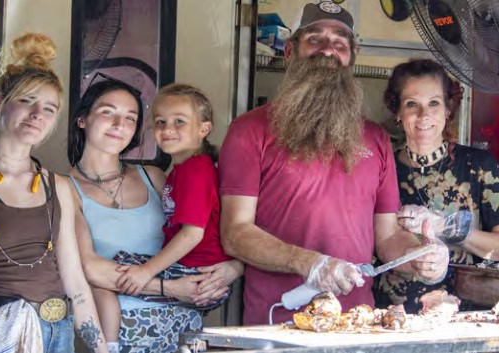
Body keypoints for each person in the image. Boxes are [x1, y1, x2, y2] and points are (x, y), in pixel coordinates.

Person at [218, 1, 450, 325]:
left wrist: (420, 257)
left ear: (351, 57)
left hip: (356, 324)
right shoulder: (249, 131)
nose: (328, 49)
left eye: (340, 42)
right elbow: (235, 232)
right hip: (276, 321)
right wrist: (308, 262)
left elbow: (387, 239)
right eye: (315, 38)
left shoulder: (376, 139)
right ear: (289, 51)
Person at [67, 76, 241, 353]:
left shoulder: (157, 177)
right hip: (122, 333)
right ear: (82, 120)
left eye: (130, 118)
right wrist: (170, 288)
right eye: (107, 112)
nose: (119, 125)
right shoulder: (64, 187)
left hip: (184, 329)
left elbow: (215, 226)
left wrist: (234, 268)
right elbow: (90, 268)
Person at [0, 33, 108, 353]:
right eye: (26, 101)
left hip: (57, 332)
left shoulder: (60, 186)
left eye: (50, 108)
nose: (38, 114)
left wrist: (101, 349)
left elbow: (75, 281)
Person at [375, 58, 499, 313]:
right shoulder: (381, 169)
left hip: (465, 316)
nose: (424, 115)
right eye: (412, 104)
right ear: (397, 111)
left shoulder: (479, 166)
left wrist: (450, 227)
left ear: (448, 110)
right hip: (393, 316)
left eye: (434, 103)